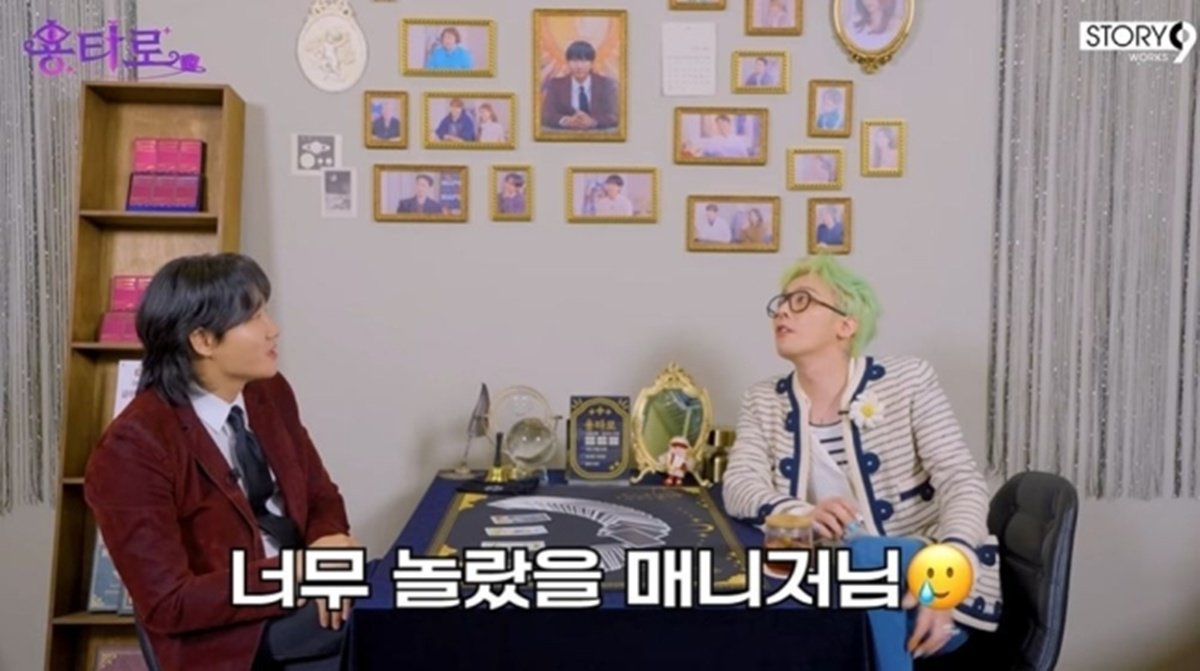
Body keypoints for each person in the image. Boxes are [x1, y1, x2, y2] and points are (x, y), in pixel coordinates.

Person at [721, 255, 1002, 666]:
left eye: (801, 300)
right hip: (833, 586)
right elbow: (739, 484)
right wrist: (801, 513)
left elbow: (962, 482)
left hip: (926, 583)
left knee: (869, 556)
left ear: (846, 325)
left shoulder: (909, 381)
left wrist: (948, 570)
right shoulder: (763, 399)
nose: (782, 311)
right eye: (781, 302)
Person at [84, 253, 359, 671]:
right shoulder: (133, 448)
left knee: (412, 600)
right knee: (395, 621)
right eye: (254, 317)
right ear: (203, 341)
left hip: (304, 588)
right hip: (231, 636)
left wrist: (327, 546)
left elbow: (321, 496)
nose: (273, 329)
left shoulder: (269, 393)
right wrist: (297, 574)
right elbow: (168, 602)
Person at [540, 40, 620, 132]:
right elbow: (546, 115)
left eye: (584, 61)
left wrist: (593, 121)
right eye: (574, 61)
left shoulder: (606, 84)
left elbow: (614, 116)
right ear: (567, 63)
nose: (579, 66)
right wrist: (567, 121)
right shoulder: (555, 85)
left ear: (592, 63)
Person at [685, 115, 751, 158]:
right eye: (719, 124)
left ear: (729, 124)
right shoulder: (713, 140)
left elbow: (745, 156)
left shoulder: (738, 140)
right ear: (717, 126)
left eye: (724, 123)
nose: (721, 126)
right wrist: (694, 151)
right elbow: (705, 153)